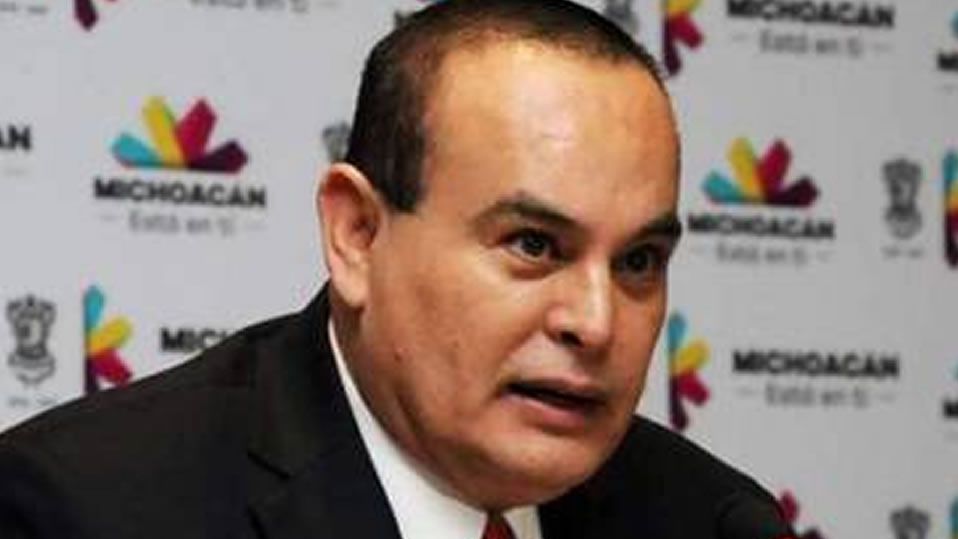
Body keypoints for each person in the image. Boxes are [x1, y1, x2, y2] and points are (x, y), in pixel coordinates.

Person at [0, 1, 793, 538]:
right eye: (533, 244)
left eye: (639, 261)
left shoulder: (711, 520)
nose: (595, 319)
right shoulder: (82, 510)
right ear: (356, 234)